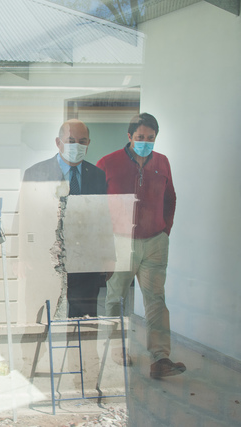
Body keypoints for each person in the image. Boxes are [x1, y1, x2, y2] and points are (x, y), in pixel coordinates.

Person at [97, 113, 185, 379]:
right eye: (140, 138)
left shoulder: (162, 162)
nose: (145, 142)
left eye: (150, 138)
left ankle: (161, 359)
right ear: (129, 137)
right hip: (120, 242)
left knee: (156, 300)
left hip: (155, 243)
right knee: (115, 298)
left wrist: (165, 230)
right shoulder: (108, 163)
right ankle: (116, 349)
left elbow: (170, 198)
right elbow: (97, 206)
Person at [23, 119, 109, 317]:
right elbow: (25, 217)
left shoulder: (97, 175)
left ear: (88, 143)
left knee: (84, 323)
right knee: (40, 317)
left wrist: (107, 257)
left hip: (85, 264)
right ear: (58, 142)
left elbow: (103, 218)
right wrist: (22, 256)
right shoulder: (36, 173)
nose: (76, 146)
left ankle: (83, 349)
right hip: (46, 259)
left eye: (82, 141)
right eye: (70, 140)